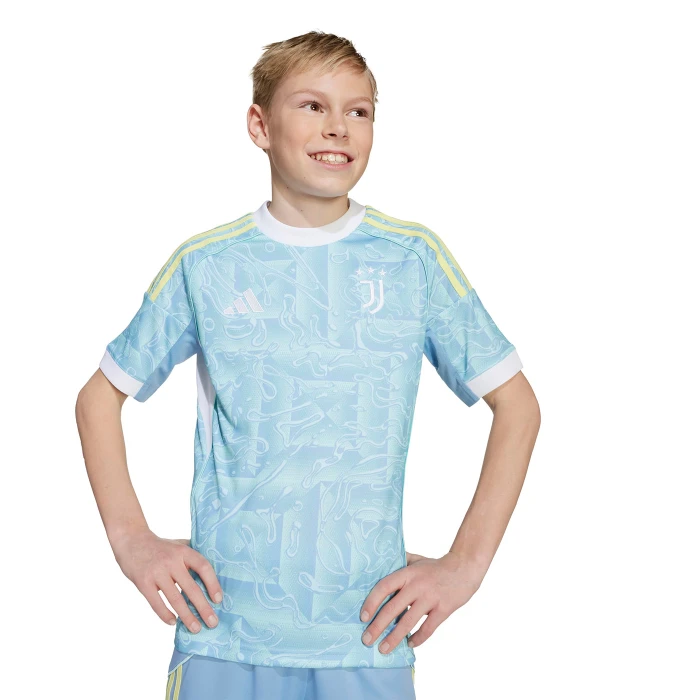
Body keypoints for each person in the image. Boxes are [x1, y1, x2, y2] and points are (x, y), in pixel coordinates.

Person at [76, 29, 541, 700]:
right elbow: (98, 398)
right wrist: (132, 541)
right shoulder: (206, 264)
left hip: (366, 639)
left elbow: (517, 405)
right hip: (224, 634)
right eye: (312, 105)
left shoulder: (411, 260)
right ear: (260, 126)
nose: (338, 127)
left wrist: (465, 565)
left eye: (359, 110)